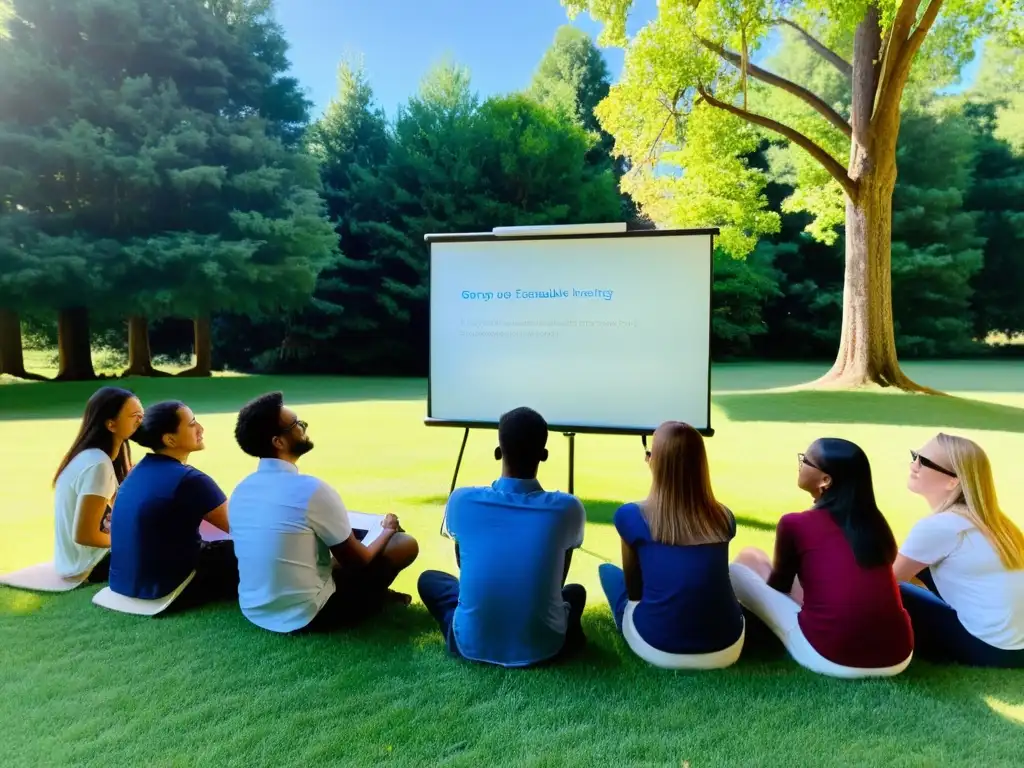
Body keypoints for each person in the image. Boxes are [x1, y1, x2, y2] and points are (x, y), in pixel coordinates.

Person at [227, 391, 419, 634]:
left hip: (255, 609)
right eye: (297, 424)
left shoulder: (241, 489)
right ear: (279, 442)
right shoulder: (310, 489)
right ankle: (375, 598)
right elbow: (357, 561)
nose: (303, 426)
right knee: (403, 544)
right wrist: (388, 530)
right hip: (307, 614)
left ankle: (379, 594)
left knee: (332, 548)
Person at [417, 406, 587, 668]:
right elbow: (559, 575)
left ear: (498, 452)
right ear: (544, 455)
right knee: (574, 593)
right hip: (546, 646)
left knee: (429, 581)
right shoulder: (567, 508)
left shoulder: (462, 500)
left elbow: (463, 564)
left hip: (470, 644)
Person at [729, 438, 914, 678]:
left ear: (825, 480)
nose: (800, 464)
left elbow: (779, 586)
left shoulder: (795, 523)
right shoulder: (876, 525)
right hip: (898, 655)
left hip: (830, 657)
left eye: (805, 460)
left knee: (742, 566)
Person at [598, 421, 745, 669]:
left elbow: (635, 592)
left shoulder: (631, 516)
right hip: (728, 645)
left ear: (656, 462)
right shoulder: (724, 517)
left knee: (608, 572)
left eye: (650, 453)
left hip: (658, 647)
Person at [893, 433, 1024, 668]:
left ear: (953, 481)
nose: (913, 465)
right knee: (912, 563)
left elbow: (887, 581)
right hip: (1017, 646)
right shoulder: (996, 523)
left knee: (889, 593)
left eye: (924, 461)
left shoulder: (940, 526)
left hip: (990, 648)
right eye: (915, 456)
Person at [107, 401, 236, 609]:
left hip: (123, 583)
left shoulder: (137, 472)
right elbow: (238, 527)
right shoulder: (191, 480)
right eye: (192, 424)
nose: (201, 428)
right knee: (248, 550)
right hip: (166, 585)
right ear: (170, 439)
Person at [51, 386, 143, 581]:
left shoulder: (94, 457)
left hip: (80, 561)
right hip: (88, 565)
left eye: (142, 414)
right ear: (111, 424)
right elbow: (85, 535)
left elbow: (120, 509)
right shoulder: (98, 464)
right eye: (134, 415)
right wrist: (128, 542)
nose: (141, 421)